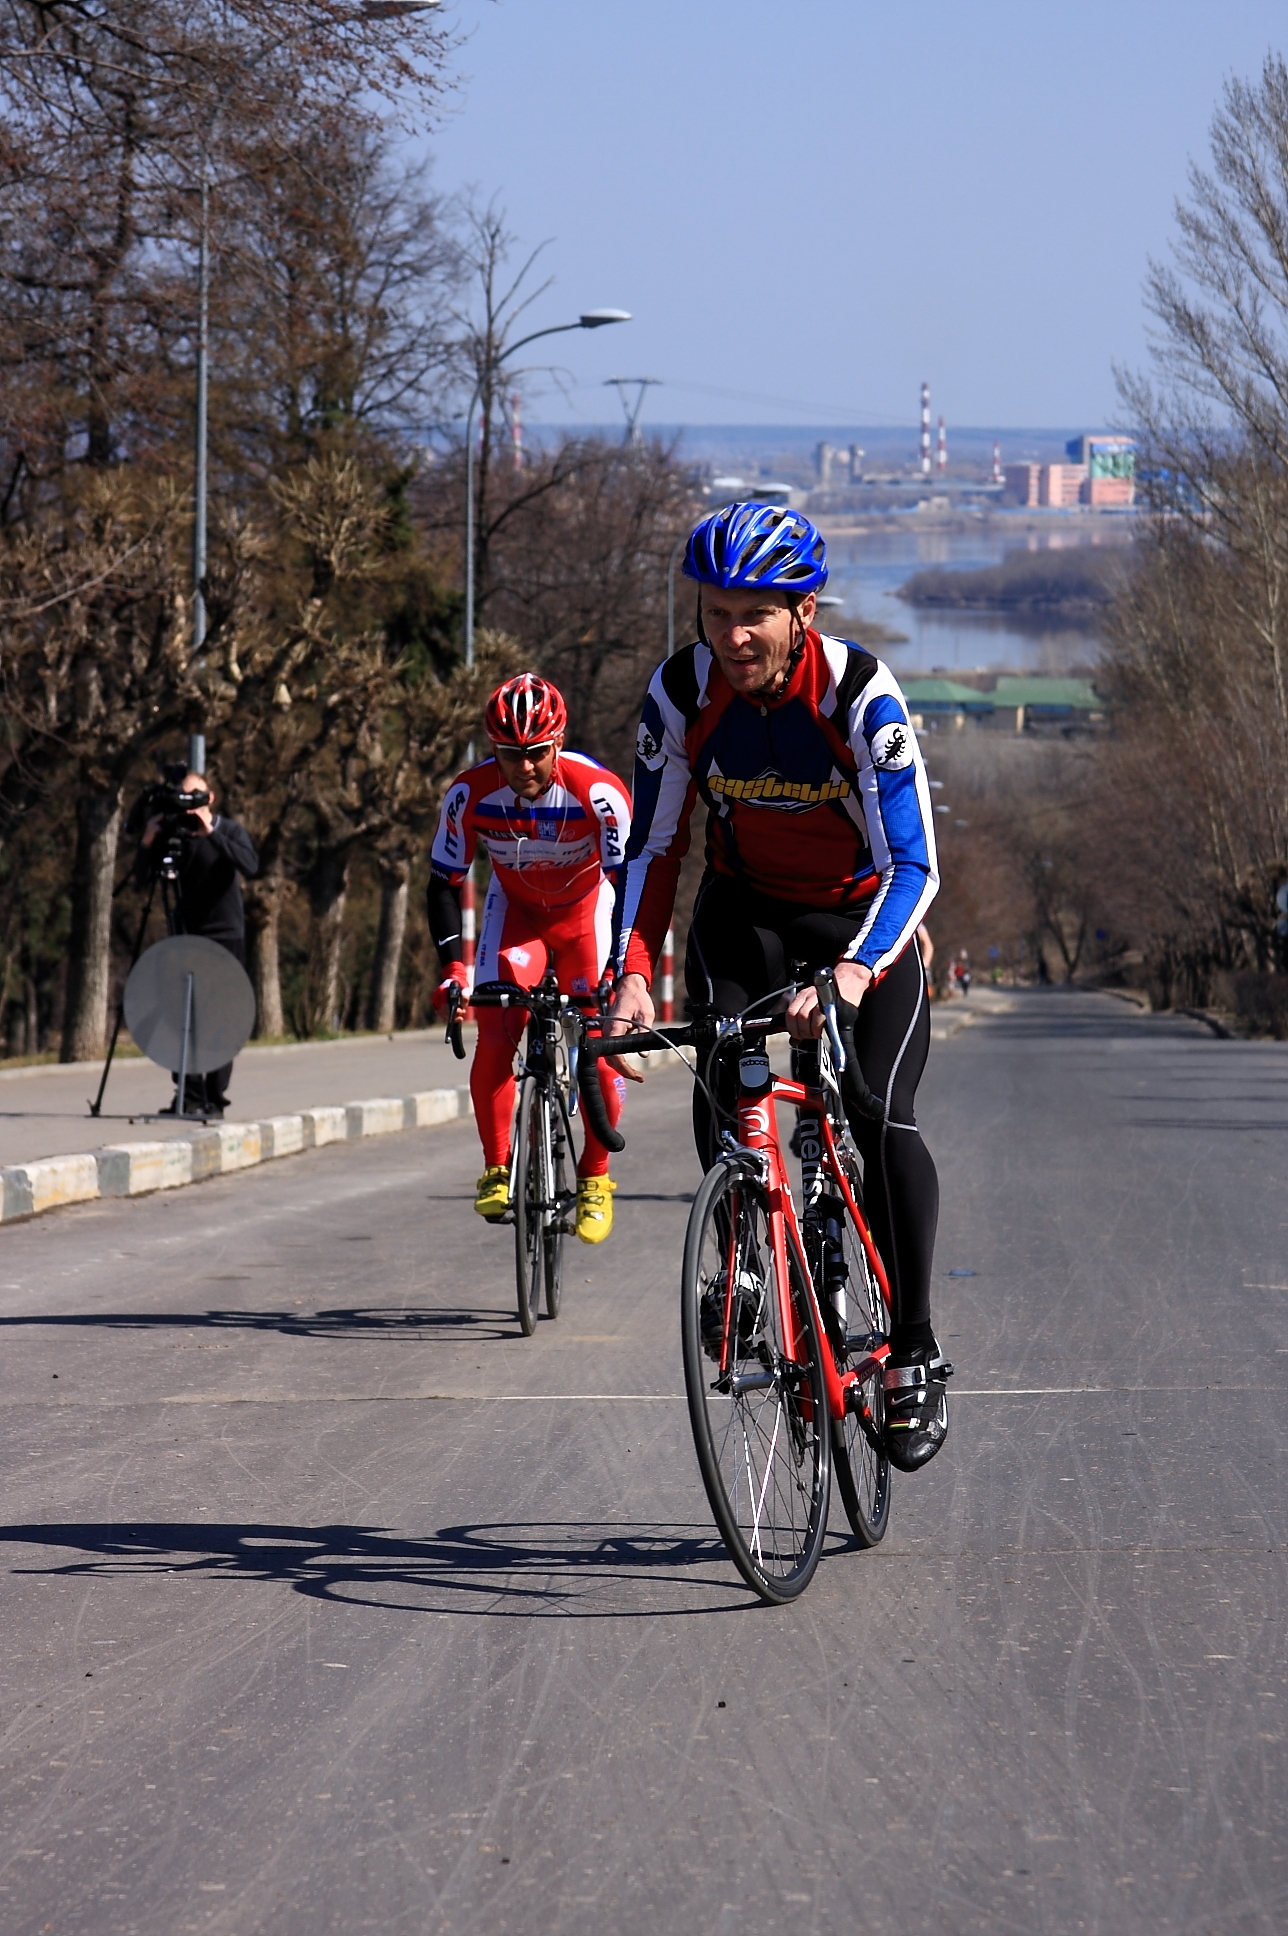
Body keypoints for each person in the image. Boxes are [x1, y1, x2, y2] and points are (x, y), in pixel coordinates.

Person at [607, 501, 950, 1471]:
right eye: (716, 614)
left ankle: (912, 1346)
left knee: (879, 1114)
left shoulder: (859, 694)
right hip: (746, 912)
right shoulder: (681, 693)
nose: (733, 637)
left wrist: (852, 972)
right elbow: (654, 846)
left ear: (803, 611)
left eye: (754, 614)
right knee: (720, 1058)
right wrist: (631, 972)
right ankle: (743, 1254)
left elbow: (914, 864)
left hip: (858, 921)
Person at [428, 672, 633, 1245]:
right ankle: (497, 1168)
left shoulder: (598, 792)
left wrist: (621, 970)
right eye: (509, 754)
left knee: (599, 1048)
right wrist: (453, 970)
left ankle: (594, 1178)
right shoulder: (469, 794)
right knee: (496, 1029)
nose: (524, 766)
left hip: (586, 917)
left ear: (559, 742)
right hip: (517, 915)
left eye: (537, 752)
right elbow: (443, 884)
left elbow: (630, 882)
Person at [136, 768, 258, 1116]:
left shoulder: (228, 830)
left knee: (221, 1019)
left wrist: (211, 833)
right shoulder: (173, 834)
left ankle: (214, 1098)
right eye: (183, 796)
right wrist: (148, 840)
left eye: (195, 795)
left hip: (225, 935)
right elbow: (142, 879)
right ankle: (188, 1095)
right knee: (182, 1017)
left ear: (210, 798)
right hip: (185, 935)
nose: (188, 803)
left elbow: (250, 865)